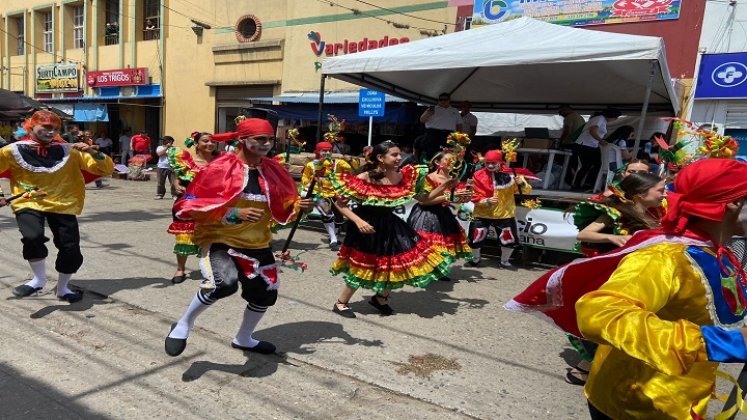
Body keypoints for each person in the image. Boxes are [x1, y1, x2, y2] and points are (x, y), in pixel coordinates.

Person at [507, 157, 747, 419]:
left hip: (681, 399)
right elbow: (601, 312)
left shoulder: (718, 252)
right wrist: (720, 343)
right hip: (636, 404)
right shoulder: (664, 258)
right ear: (733, 204)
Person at [164, 118, 314, 357]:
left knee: (266, 292)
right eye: (260, 139)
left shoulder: (274, 169)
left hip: (258, 242)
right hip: (221, 239)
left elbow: (283, 204)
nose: (266, 144)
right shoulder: (220, 167)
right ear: (243, 141)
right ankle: (183, 323)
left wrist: (299, 205)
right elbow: (187, 205)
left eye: (270, 139)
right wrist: (233, 212)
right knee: (223, 283)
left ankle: (244, 338)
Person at [330, 140, 453, 318]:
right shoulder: (365, 177)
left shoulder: (402, 177)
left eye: (399, 155)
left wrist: (444, 187)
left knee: (395, 262)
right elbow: (340, 204)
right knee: (365, 264)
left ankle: (380, 299)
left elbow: (424, 199)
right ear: (380, 158)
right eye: (394, 155)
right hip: (367, 226)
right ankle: (341, 303)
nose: (398, 158)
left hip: (390, 224)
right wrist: (358, 222)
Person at [0, 111, 114, 303]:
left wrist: (93, 152)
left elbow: (106, 169)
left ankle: (62, 288)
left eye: (55, 128)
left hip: (63, 202)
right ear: (31, 127)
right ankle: (38, 279)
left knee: (71, 249)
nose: (50, 132)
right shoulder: (12, 150)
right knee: (32, 237)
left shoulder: (72, 150)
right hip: (29, 200)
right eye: (46, 127)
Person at [565, 172, 666, 385]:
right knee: (609, 323)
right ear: (640, 194)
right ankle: (585, 367)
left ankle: (604, 367)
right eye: (660, 190)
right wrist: (613, 236)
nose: (664, 194)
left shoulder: (654, 214)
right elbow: (584, 234)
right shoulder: (614, 213)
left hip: (636, 277)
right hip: (611, 279)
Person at [407, 151, 474, 281]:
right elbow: (423, 201)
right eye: (448, 161)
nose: (452, 164)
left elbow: (463, 200)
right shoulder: (428, 178)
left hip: (443, 213)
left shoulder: (454, 179)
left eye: (454, 161)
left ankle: (438, 270)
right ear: (437, 162)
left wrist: (469, 190)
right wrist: (449, 196)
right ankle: (422, 270)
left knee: (444, 245)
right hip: (426, 214)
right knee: (427, 244)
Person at [166, 132, 219, 284]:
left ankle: (211, 269)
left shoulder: (220, 161)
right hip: (188, 203)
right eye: (205, 141)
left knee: (213, 238)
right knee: (184, 236)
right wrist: (176, 184)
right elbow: (178, 178)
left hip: (212, 205)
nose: (210, 144)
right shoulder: (187, 161)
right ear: (196, 143)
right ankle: (181, 269)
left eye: (212, 141)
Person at [467, 149, 531, 270]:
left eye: (493, 163)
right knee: (475, 237)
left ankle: (505, 261)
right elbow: (472, 194)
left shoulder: (512, 174)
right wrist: (486, 201)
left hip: (504, 213)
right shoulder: (478, 175)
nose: (490, 165)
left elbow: (527, 190)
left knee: (508, 239)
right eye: (487, 163)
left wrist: (521, 183)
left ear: (500, 162)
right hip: (482, 212)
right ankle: (476, 259)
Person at [301, 141, 351, 251]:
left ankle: (334, 237)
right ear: (318, 151)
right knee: (326, 214)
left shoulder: (338, 163)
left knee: (338, 218)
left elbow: (351, 169)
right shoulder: (311, 165)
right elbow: (305, 177)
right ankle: (333, 240)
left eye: (329, 150)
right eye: (324, 151)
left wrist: (350, 161)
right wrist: (308, 182)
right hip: (317, 193)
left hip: (334, 193)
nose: (327, 153)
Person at [571, 108, 621, 191]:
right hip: (584, 144)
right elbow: (592, 131)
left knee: (597, 164)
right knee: (586, 165)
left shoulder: (602, 121)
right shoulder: (599, 119)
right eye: (616, 117)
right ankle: (577, 184)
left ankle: (589, 183)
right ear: (612, 116)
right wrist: (600, 140)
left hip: (592, 145)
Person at [419, 93, 463, 162]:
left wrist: (458, 138)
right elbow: (422, 120)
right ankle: (432, 169)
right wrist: (428, 114)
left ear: (449, 100)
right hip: (433, 134)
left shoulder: (454, 110)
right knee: (432, 154)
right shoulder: (432, 109)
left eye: (445, 99)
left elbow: (459, 125)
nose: (443, 101)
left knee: (448, 154)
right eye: (441, 99)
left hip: (449, 134)